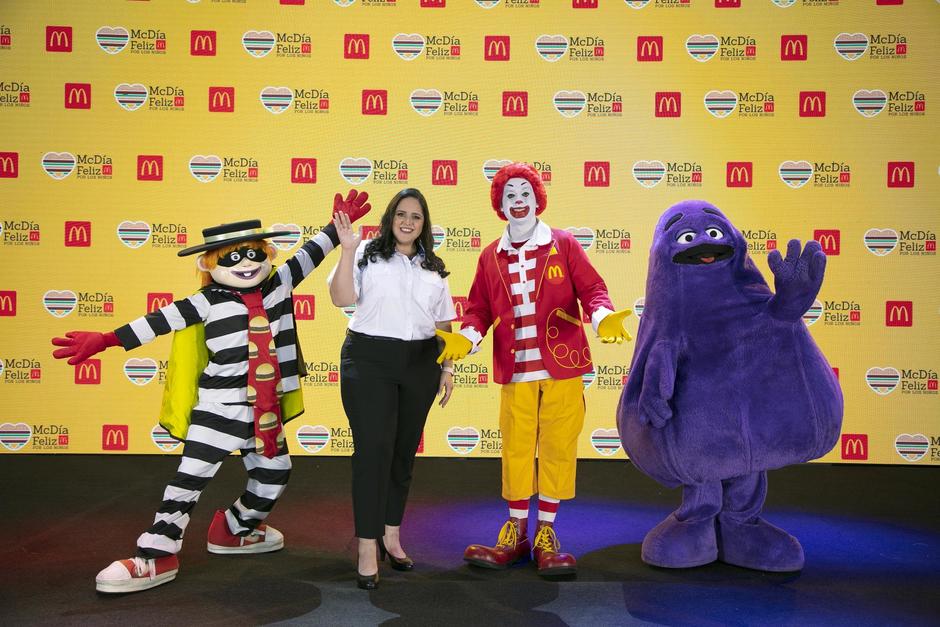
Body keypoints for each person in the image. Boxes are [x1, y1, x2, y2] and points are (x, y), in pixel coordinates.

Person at [50, 191, 371, 593]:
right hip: (219, 409)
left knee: (274, 474)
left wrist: (335, 228)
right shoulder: (204, 302)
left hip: (264, 409)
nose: (246, 264)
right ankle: (154, 556)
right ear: (209, 264)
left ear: (268, 254)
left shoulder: (280, 283)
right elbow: (156, 321)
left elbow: (311, 253)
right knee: (188, 482)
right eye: (231, 258)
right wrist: (106, 340)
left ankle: (234, 530)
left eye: (253, 254)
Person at [436, 163, 632, 578]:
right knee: (516, 449)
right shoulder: (490, 256)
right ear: (500, 205)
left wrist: (602, 318)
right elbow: (479, 309)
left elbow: (592, 289)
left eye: (525, 193)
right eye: (510, 195)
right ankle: (515, 532)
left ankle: (546, 532)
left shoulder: (563, 244)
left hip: (562, 367)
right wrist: (466, 339)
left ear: (538, 199)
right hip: (516, 370)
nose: (518, 200)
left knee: (558, 446)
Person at [328, 188, 456, 590]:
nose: (408, 222)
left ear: (424, 224)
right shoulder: (365, 253)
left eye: (416, 217)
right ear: (390, 218)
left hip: (421, 363)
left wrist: (448, 366)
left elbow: (444, 323)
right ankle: (367, 546)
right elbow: (341, 298)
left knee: (403, 453)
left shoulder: (434, 267)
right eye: (401, 214)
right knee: (373, 453)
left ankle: (391, 535)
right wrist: (347, 250)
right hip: (369, 360)